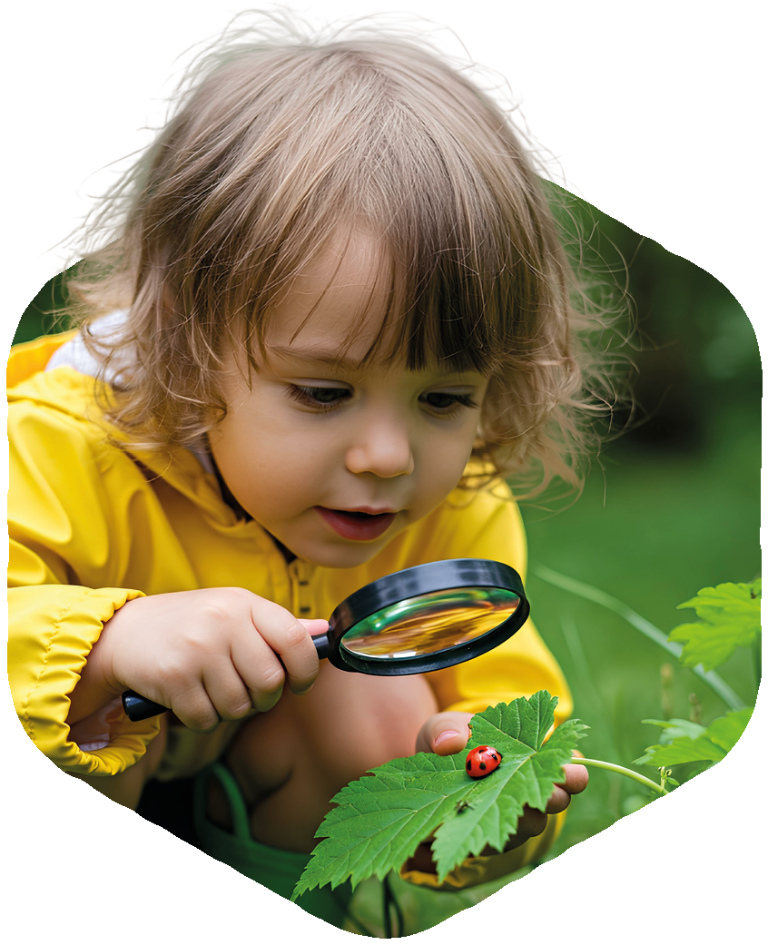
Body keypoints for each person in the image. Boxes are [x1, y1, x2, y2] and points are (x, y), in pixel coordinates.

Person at [8, 13, 603, 930]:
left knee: (380, 710)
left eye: (444, 398)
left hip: (248, 791)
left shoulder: (451, 503)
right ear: (188, 347)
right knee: (87, 727)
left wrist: (486, 787)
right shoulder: (57, 449)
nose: (388, 456)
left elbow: (497, 689)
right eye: (325, 392)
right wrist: (110, 639)